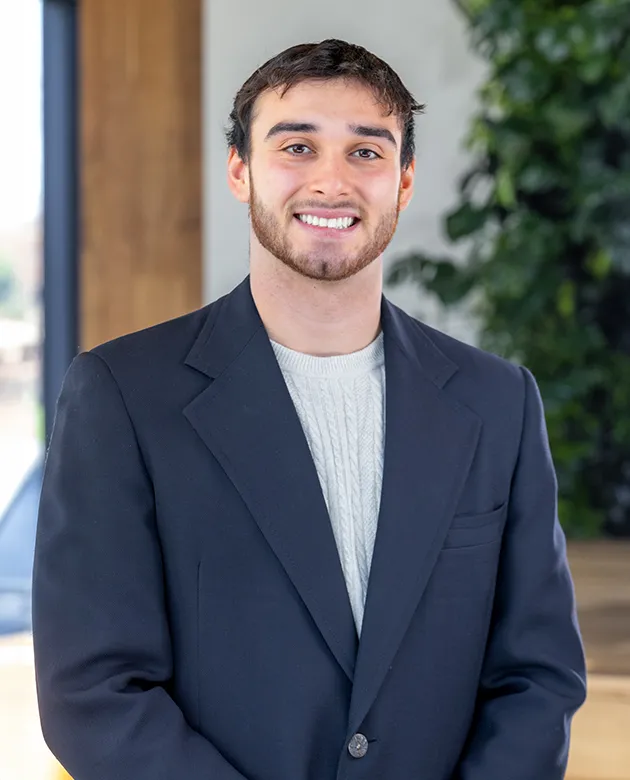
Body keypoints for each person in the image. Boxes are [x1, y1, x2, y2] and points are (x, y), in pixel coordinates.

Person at [32, 38, 587, 780]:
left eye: (366, 153)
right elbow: (93, 691)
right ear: (241, 170)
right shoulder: (123, 394)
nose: (332, 181)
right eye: (297, 146)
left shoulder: (499, 401)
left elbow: (537, 676)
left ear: (405, 179)